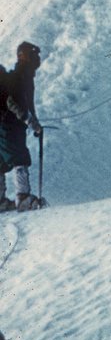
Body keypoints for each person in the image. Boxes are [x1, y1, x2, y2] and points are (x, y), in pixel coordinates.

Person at [0, 41, 44, 212]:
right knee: (20, 158)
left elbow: (27, 105)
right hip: (9, 126)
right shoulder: (20, 77)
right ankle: (23, 197)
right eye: (34, 56)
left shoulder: (22, 76)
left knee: (2, 161)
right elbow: (14, 102)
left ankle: (1, 201)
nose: (37, 59)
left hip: (6, 124)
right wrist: (30, 121)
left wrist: (34, 121)